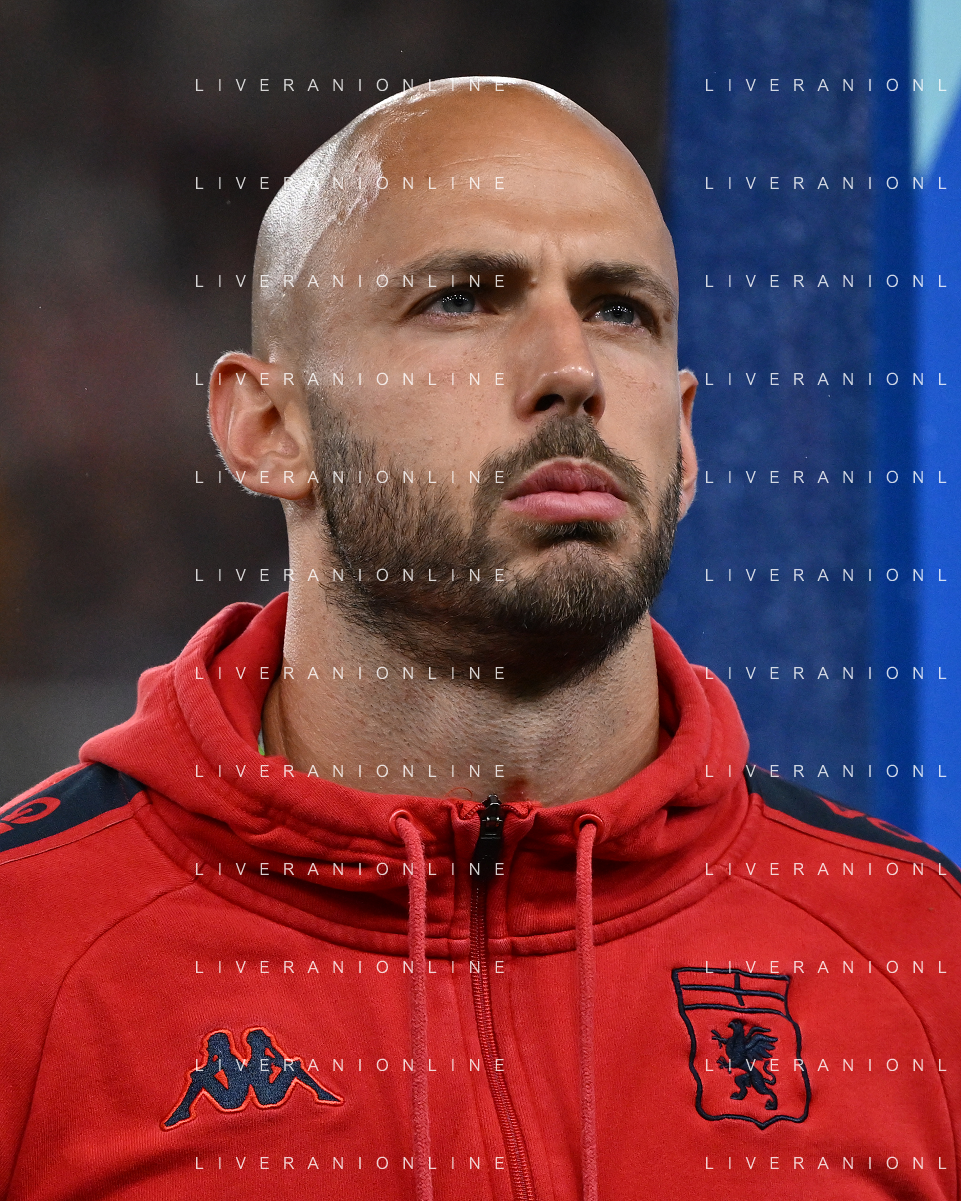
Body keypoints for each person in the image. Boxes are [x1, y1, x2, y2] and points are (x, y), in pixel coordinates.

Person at [1, 77, 959, 1201]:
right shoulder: (29, 952)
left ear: (684, 438)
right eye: (461, 299)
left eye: (620, 310)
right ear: (268, 427)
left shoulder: (919, 956)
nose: (571, 372)